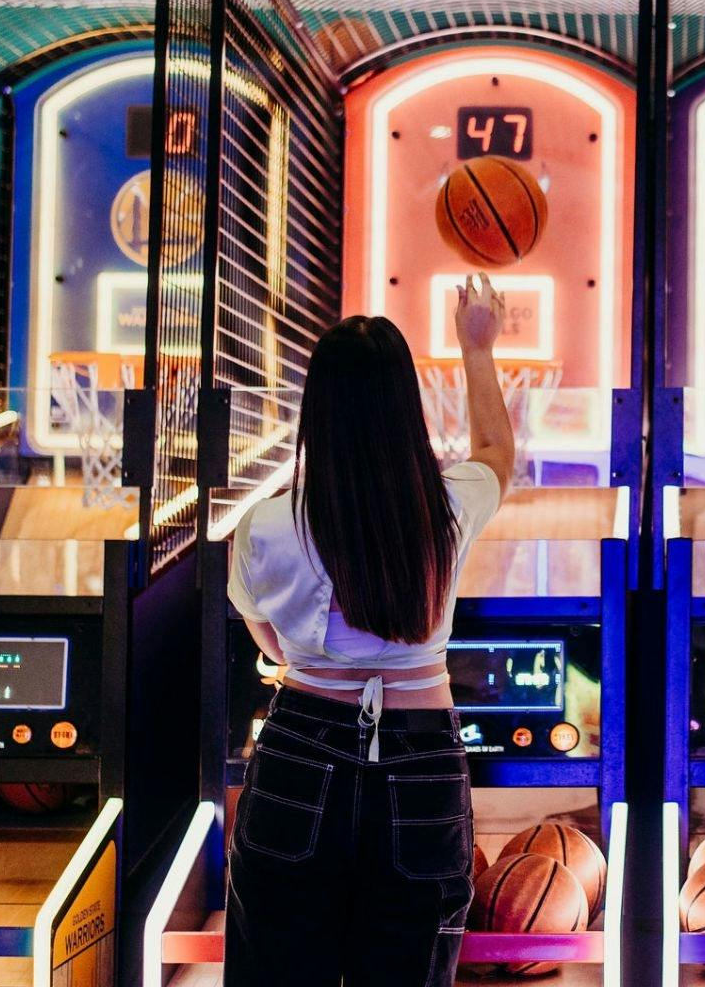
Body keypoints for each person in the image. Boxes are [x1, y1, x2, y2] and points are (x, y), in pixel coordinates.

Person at [223, 275, 513, 987]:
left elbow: (271, 646)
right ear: (405, 408)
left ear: (315, 411)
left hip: (299, 752)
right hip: (422, 764)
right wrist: (478, 347)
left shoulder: (265, 526)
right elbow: (494, 449)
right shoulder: (450, 507)